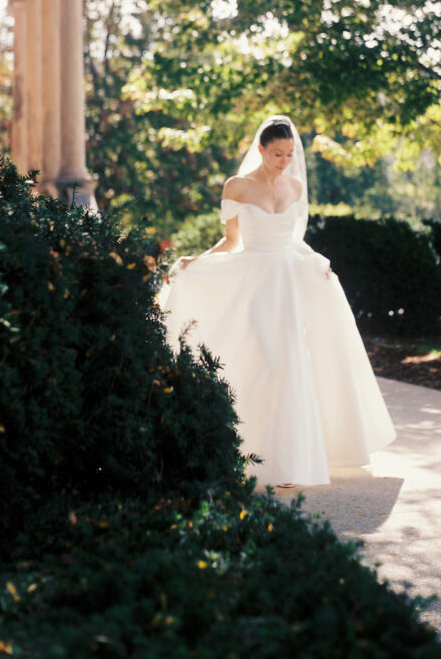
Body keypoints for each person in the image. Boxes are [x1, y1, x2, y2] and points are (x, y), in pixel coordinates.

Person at [159, 114, 396, 488]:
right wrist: (197, 261)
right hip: (254, 282)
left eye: (288, 154)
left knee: (287, 364)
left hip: (288, 282)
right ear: (261, 149)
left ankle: (288, 464)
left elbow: (292, 241)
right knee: (262, 360)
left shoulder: (296, 188)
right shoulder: (237, 186)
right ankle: (246, 451)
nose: (284, 161)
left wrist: (316, 262)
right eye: (276, 154)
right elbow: (231, 241)